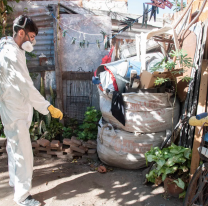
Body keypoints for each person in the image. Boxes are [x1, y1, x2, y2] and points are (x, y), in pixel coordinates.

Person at [0, 15, 63, 206]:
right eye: (32, 36)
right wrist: (47, 107)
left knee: (14, 148)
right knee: (23, 153)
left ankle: (14, 182)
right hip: (14, 110)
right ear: (21, 33)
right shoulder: (10, 55)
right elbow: (26, 86)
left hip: (15, 107)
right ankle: (22, 196)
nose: (33, 40)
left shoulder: (13, 48)